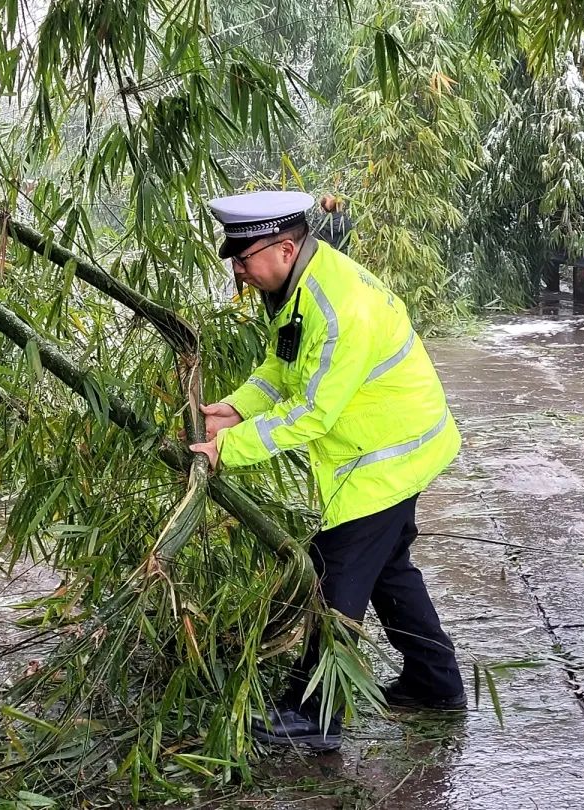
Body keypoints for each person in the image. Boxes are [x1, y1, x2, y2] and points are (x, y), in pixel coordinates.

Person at [189, 190, 465, 750]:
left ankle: (316, 717)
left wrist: (230, 448)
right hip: (384, 448)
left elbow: (311, 412)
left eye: (244, 260)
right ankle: (435, 685)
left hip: (385, 457)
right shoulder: (296, 289)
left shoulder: (340, 308)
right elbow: (280, 367)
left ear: (285, 248)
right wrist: (236, 409)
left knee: (333, 580)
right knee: (389, 573)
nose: (239, 272)